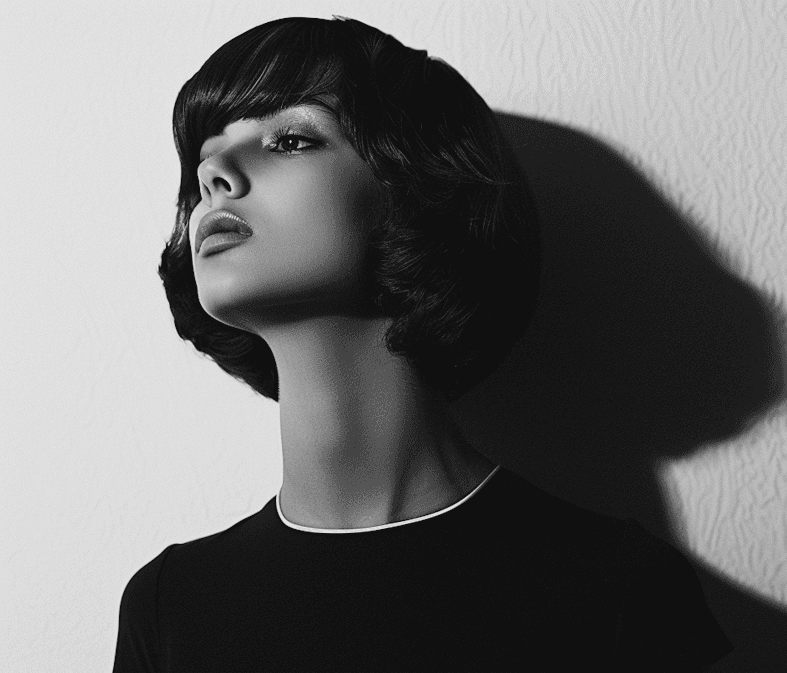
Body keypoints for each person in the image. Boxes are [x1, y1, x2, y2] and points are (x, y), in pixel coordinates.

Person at [114, 15, 733, 671]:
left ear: (414, 189)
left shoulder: (618, 593)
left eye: (290, 139)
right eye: (204, 157)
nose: (214, 172)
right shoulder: (171, 608)